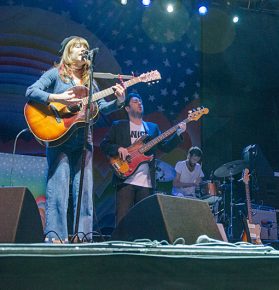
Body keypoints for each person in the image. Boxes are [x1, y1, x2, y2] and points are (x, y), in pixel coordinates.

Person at [26, 36, 126, 242]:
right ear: (68, 52)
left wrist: (119, 101)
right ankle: (56, 236)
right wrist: (58, 98)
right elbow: (31, 91)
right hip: (59, 137)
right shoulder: (56, 75)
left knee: (85, 190)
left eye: (85, 47)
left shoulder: (91, 82)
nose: (83, 50)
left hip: (84, 139)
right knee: (59, 187)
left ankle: (83, 236)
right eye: (78, 47)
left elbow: (101, 108)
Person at [100, 93, 186, 225]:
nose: (140, 103)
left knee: (144, 222)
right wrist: (118, 149)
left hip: (146, 183)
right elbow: (104, 144)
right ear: (127, 108)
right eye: (135, 101)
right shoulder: (118, 125)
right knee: (122, 221)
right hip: (125, 179)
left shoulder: (152, 128)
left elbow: (166, 147)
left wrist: (178, 133)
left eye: (140, 101)